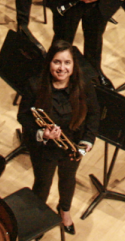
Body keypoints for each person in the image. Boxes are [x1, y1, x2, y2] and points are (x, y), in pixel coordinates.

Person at [18, 41, 99, 234]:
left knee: (68, 179)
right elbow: (23, 116)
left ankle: (64, 210)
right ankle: (38, 215)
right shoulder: (35, 85)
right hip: (44, 147)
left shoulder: (84, 85)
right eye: (57, 62)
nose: (62, 68)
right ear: (49, 63)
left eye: (67, 63)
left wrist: (87, 141)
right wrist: (42, 134)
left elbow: (94, 115)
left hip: (73, 144)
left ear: (73, 65)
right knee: (42, 183)